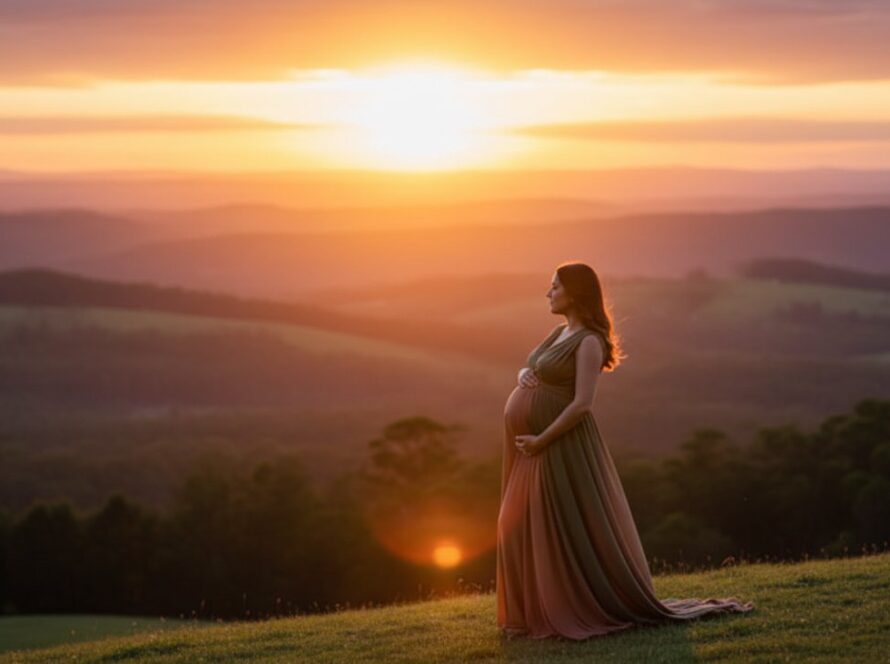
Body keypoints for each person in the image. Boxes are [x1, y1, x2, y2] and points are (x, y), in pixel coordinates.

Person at [496, 261, 754, 640]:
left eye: (554, 287)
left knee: (554, 528)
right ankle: (528, 614)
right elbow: (531, 366)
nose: (548, 293)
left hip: (557, 447)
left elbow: (583, 403)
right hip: (530, 449)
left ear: (575, 293)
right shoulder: (558, 333)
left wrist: (542, 439)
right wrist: (522, 376)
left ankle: (559, 610)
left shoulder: (588, 342)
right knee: (514, 523)